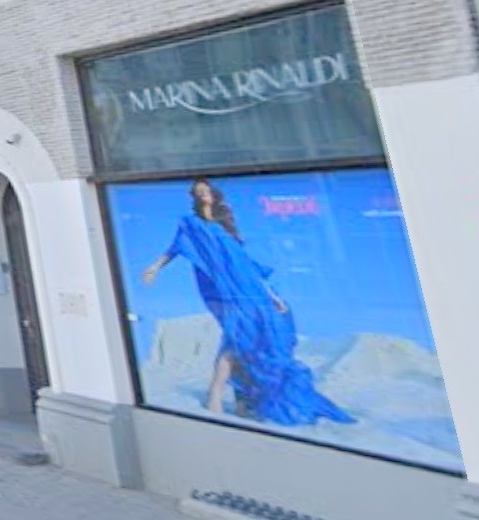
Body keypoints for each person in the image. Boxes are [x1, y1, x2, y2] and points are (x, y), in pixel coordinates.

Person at [141, 179, 352, 426]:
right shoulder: (191, 224)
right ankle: (215, 395)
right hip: (227, 290)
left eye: (206, 191)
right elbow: (176, 248)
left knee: (257, 341)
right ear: (194, 197)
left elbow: (247, 265)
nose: (203, 194)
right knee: (236, 338)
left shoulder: (225, 225)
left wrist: (272, 296)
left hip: (251, 289)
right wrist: (155, 267)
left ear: (214, 194)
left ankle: (244, 400)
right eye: (198, 192)